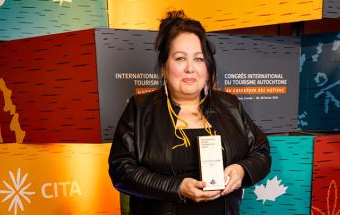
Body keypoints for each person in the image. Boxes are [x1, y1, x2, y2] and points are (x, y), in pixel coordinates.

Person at [109, 10, 271, 215]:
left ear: (208, 66)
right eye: (180, 58)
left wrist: (241, 170)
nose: (190, 68)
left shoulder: (229, 105)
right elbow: (121, 171)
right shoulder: (140, 109)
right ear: (163, 67)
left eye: (198, 59)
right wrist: (177, 188)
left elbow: (261, 153)